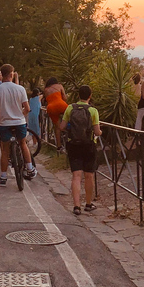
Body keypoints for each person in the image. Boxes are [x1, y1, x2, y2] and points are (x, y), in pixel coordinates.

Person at [0, 64, 37, 187]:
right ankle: (30, 168)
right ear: (12, 74)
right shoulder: (20, 89)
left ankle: (3, 177)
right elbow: (27, 108)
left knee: (5, 150)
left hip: (4, 123)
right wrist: (20, 115)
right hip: (19, 122)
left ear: (1, 75)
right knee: (23, 143)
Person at [60, 85, 102, 215]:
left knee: (76, 176)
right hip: (89, 145)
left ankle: (76, 206)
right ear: (90, 96)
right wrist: (100, 131)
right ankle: (88, 204)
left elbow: (62, 127)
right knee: (89, 175)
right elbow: (97, 131)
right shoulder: (93, 111)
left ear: (78, 95)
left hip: (73, 144)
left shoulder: (70, 108)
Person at [43, 77, 68, 152]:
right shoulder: (59, 86)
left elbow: (46, 100)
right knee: (71, 117)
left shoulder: (46, 90)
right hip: (61, 105)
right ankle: (69, 133)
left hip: (51, 108)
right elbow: (65, 98)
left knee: (57, 127)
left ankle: (59, 146)